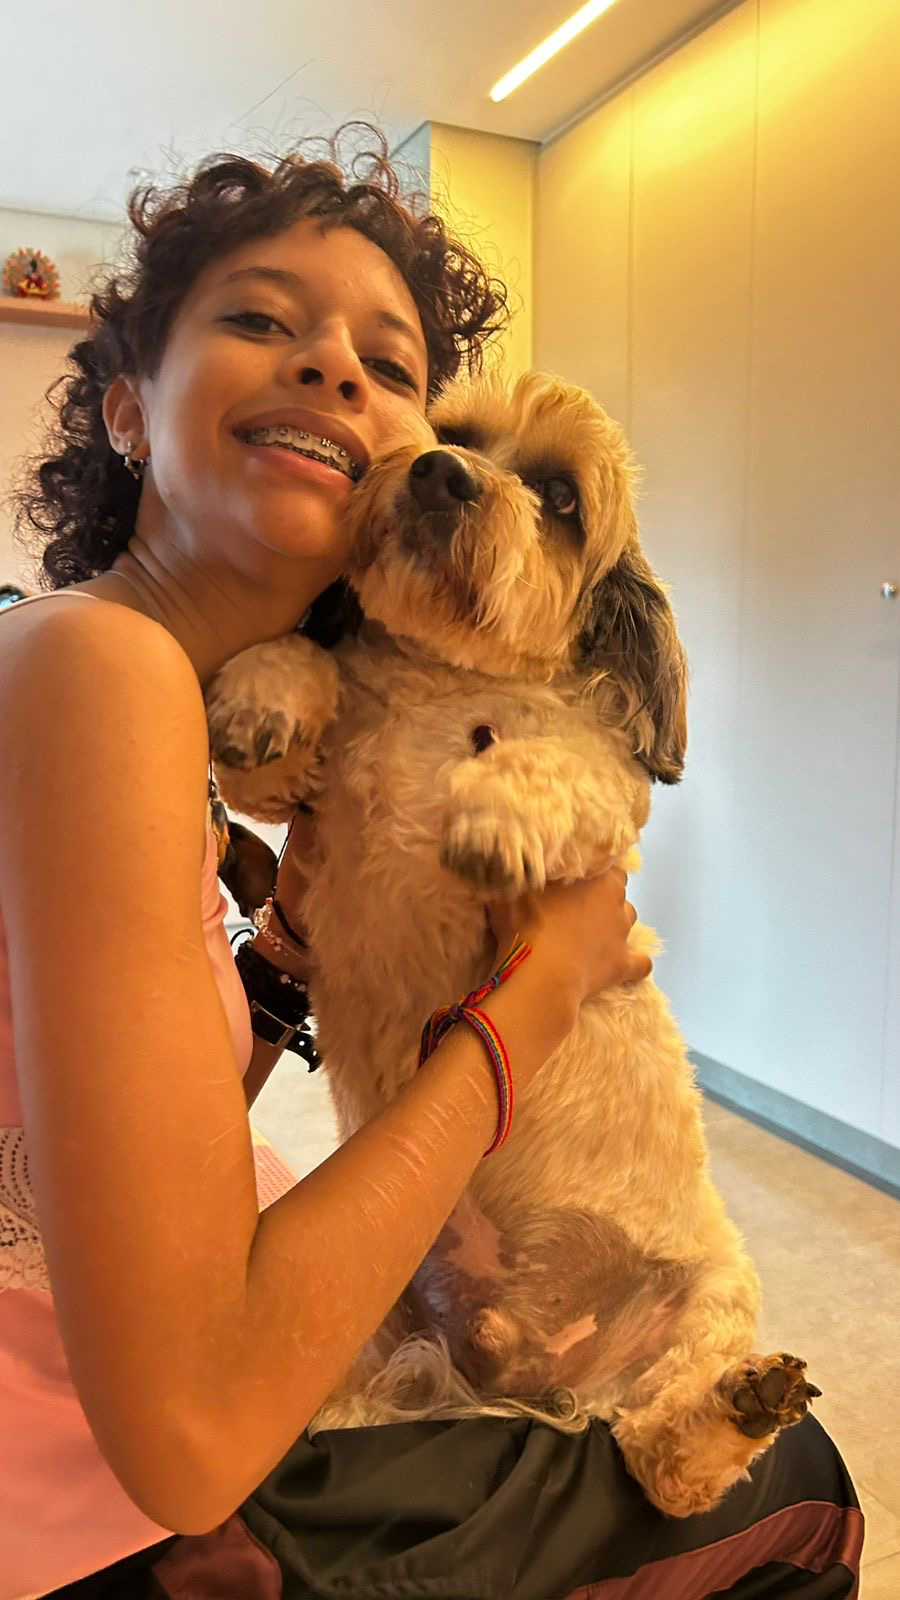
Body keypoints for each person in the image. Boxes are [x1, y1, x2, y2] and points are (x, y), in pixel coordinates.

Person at [0, 131, 861, 1599]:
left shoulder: (92, 660)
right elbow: (190, 1437)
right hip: (103, 1517)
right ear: (127, 406)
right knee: (803, 1496)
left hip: (96, 1423)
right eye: (260, 317)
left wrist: (280, 966)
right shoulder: (104, 673)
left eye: (389, 364)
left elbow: (97, 1155)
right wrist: (532, 1004)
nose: (334, 367)